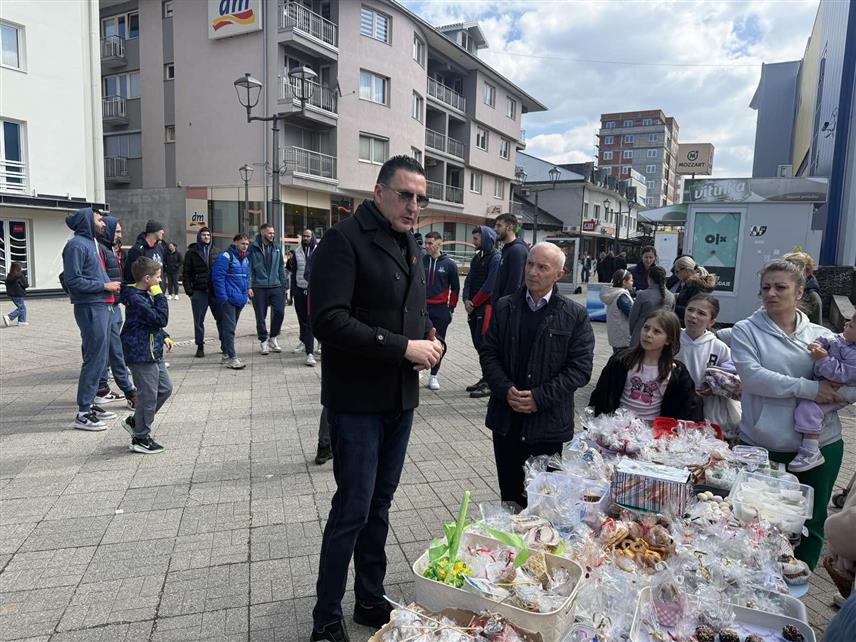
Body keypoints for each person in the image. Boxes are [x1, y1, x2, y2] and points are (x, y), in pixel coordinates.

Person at [308, 155, 444, 642]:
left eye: (420, 198)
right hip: (357, 400)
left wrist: (428, 334)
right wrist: (404, 346)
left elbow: (409, 307)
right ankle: (326, 617)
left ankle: (368, 597)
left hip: (400, 398)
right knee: (353, 507)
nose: (414, 206)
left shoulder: (408, 241)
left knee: (380, 505)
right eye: (405, 194)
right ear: (380, 191)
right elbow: (328, 321)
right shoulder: (343, 241)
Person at [731, 258, 854, 569]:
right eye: (765, 288)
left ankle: (799, 580)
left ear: (800, 292)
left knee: (810, 522)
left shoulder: (822, 334)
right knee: (755, 520)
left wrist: (839, 394)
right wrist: (811, 389)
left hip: (820, 444)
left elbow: (850, 379)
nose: (771, 293)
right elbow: (753, 378)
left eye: (780, 287)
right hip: (763, 443)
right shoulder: (746, 330)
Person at [480, 242, 594, 506]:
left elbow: (580, 369)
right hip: (506, 420)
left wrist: (540, 397)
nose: (533, 272)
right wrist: (504, 388)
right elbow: (489, 353)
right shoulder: (504, 306)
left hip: (548, 425)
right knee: (510, 498)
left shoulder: (574, 315)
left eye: (542, 267)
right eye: (530, 264)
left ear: (559, 274)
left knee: (544, 503)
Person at [62, 207, 121, 431]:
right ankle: (83, 412)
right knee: (94, 359)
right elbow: (73, 281)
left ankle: (92, 402)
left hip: (102, 305)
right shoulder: (76, 245)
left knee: (101, 358)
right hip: (91, 307)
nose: (103, 223)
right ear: (87, 221)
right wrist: (103, 285)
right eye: (99, 219)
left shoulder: (91, 243)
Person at [589, 309, 703, 421]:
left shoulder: (676, 372)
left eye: (657, 331)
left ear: (668, 340)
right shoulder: (621, 361)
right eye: (646, 328)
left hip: (653, 434)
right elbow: (601, 394)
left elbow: (685, 409)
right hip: (618, 429)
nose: (648, 334)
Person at [790, 317, 856, 472]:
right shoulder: (845, 340)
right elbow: (831, 339)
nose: (846, 325)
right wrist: (819, 344)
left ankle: (811, 450)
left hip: (839, 393)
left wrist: (823, 359)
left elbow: (840, 375)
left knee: (809, 410)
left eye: (851, 326)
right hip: (826, 384)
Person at [120, 257, 172, 454]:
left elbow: (152, 323)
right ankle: (140, 437)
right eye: (158, 277)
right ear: (147, 278)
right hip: (141, 353)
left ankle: (136, 421)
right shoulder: (136, 298)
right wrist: (159, 296)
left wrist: (164, 336)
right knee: (148, 395)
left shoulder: (144, 292)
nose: (160, 281)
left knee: (165, 389)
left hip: (153, 349)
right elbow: (160, 318)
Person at [679, 294, 741, 439]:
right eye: (690, 310)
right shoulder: (673, 340)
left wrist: (714, 387)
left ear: (711, 321)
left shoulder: (719, 347)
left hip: (710, 409)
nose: (693, 315)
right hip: (679, 404)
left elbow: (734, 375)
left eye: (701, 313)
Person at [94, 216, 137, 410]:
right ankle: (128, 391)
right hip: (105, 304)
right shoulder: (101, 250)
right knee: (112, 350)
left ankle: (102, 388)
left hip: (113, 303)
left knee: (109, 349)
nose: (120, 235)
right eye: (117, 231)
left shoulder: (110, 249)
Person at [462, 225, 500, 398]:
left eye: (476, 239)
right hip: (474, 308)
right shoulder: (478, 257)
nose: (473, 242)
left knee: (486, 346)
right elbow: (469, 280)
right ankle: (485, 377)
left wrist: (473, 302)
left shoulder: (495, 258)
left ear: (485, 239)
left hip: (486, 308)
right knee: (479, 345)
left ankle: (490, 382)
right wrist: (465, 299)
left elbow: (490, 286)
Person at [423, 231, 459, 391]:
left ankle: (434, 376)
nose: (427, 246)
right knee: (416, 339)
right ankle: (416, 372)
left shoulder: (449, 264)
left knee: (438, 343)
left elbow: (456, 289)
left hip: (440, 310)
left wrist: (450, 309)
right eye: (426, 243)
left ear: (439, 243)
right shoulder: (420, 260)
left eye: (430, 243)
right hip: (422, 308)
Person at [211, 233, 250, 370]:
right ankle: (232, 358)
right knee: (229, 329)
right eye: (242, 243)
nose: (245, 246)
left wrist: (247, 292)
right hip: (229, 300)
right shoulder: (225, 257)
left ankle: (227, 354)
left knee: (230, 328)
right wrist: (224, 299)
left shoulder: (245, 259)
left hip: (240, 299)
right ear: (235, 242)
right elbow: (218, 278)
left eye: (246, 244)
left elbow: (246, 277)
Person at [248, 223, 287, 355]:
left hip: (276, 285)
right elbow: (249, 269)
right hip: (259, 286)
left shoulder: (276, 247)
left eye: (273, 233)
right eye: (270, 233)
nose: (272, 235)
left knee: (280, 312)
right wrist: (249, 286)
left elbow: (281, 267)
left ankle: (273, 337)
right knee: (260, 316)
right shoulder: (253, 248)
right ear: (263, 232)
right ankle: (263, 341)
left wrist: (284, 285)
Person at [183, 227, 219, 358]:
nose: (206, 237)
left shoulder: (216, 251)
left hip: (215, 292)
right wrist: (189, 291)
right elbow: (185, 274)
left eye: (208, 235)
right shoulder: (191, 253)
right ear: (199, 236)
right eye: (204, 235)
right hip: (199, 292)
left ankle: (225, 344)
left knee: (220, 319)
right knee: (198, 321)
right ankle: (200, 346)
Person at [289, 228, 317, 366]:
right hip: (300, 289)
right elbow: (293, 272)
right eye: (304, 236)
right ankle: (304, 341)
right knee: (302, 319)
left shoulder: (318, 250)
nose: (306, 238)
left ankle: (312, 349)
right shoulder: (297, 251)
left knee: (311, 320)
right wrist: (292, 290)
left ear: (313, 237)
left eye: (308, 236)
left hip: (314, 291)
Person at [628, 265, 675, 346]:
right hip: (660, 339)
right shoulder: (671, 297)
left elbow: (633, 318)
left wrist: (633, 333)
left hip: (641, 336)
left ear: (649, 278)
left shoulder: (642, 295)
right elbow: (671, 321)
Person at [492, 213, 529, 303]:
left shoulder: (517, 250)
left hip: (506, 308)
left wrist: (503, 308)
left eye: (499, 225)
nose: (495, 229)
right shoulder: (508, 248)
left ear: (510, 227)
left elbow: (514, 285)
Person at [671, 257, 716, 324]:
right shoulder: (694, 283)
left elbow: (693, 309)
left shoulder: (694, 285)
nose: (676, 274)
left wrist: (672, 306)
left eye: (677, 271)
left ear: (686, 270)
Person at [784, 251, 823, 325]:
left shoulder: (813, 298)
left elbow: (817, 329)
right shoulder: (779, 290)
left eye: (791, 270)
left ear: (806, 273)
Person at [600, 269, 634, 353]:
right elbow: (631, 313)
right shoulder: (621, 296)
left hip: (616, 335)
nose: (632, 282)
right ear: (624, 282)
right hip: (624, 337)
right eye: (631, 280)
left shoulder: (613, 293)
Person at [2, 261, 28, 327]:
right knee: (21, 308)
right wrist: (24, 277)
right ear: (19, 268)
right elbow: (25, 285)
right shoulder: (19, 275)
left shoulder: (9, 275)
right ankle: (9, 317)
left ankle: (22, 321)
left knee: (22, 307)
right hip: (18, 293)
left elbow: (7, 284)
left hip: (12, 295)